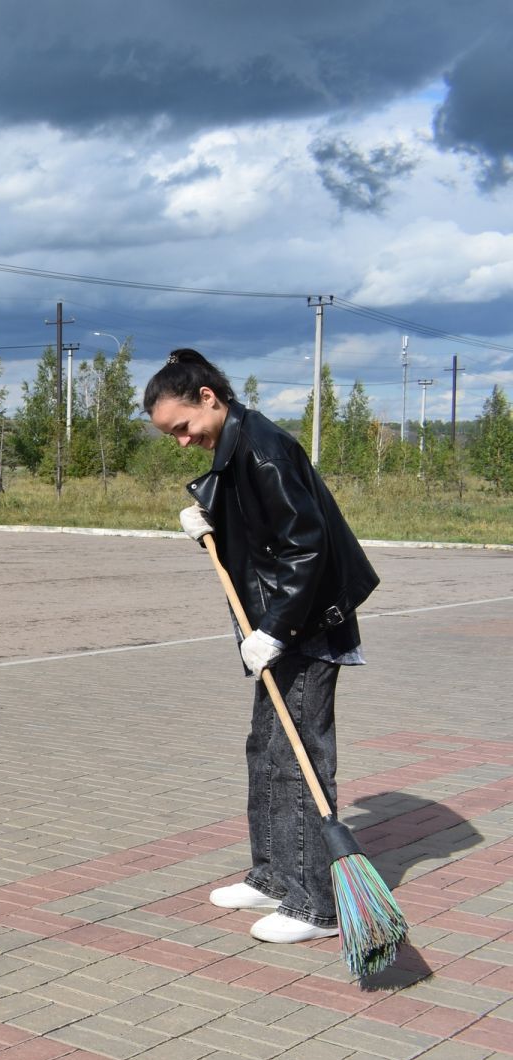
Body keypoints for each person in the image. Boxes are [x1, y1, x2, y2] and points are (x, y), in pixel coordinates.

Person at [148, 348, 378, 945]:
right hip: (278, 629)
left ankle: (316, 905)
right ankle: (275, 874)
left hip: (306, 629)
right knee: (268, 751)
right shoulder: (235, 447)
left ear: (208, 398)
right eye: (170, 435)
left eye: (183, 427)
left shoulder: (261, 447)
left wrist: (276, 628)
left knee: (299, 758)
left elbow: (306, 545)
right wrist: (210, 525)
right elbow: (263, 534)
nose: (181, 441)